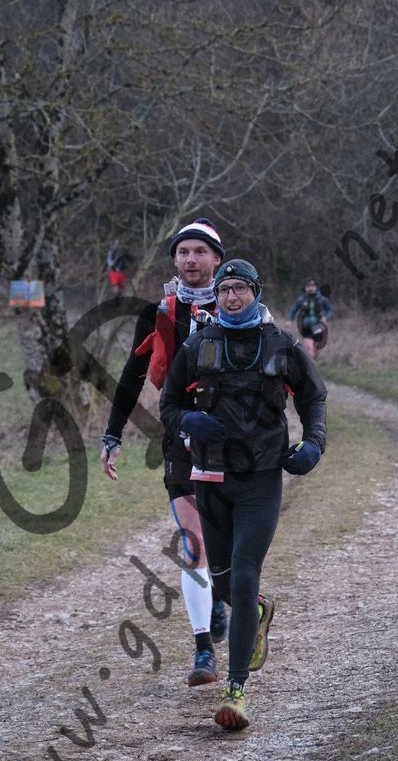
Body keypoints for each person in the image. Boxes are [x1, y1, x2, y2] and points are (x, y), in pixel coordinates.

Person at [160, 259, 327, 730]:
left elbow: (313, 398)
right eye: (224, 290)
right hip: (209, 477)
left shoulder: (281, 344)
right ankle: (254, 611)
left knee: (245, 572)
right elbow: (169, 404)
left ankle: (236, 691)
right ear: (216, 296)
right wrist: (187, 420)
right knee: (222, 582)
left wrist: (314, 443)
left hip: (260, 477)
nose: (231, 297)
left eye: (240, 289)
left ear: (256, 292)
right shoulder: (198, 345)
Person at [100, 218, 229, 685]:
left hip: (232, 439)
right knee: (194, 545)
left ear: (217, 258)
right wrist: (113, 435)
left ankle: (220, 597)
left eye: (200, 251)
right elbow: (132, 376)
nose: (191, 260)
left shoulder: (238, 302)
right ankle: (203, 651)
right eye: (183, 252)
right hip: (181, 437)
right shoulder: (159, 313)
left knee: (225, 544)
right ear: (173, 259)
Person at [288, 279, 330, 360]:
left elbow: (330, 310)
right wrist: (290, 319)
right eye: (308, 286)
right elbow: (293, 309)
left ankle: (314, 362)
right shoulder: (302, 299)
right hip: (306, 327)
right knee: (309, 349)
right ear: (305, 288)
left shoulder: (322, 299)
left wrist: (325, 317)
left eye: (312, 286)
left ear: (316, 287)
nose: (310, 288)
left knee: (316, 349)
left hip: (318, 326)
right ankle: (310, 362)